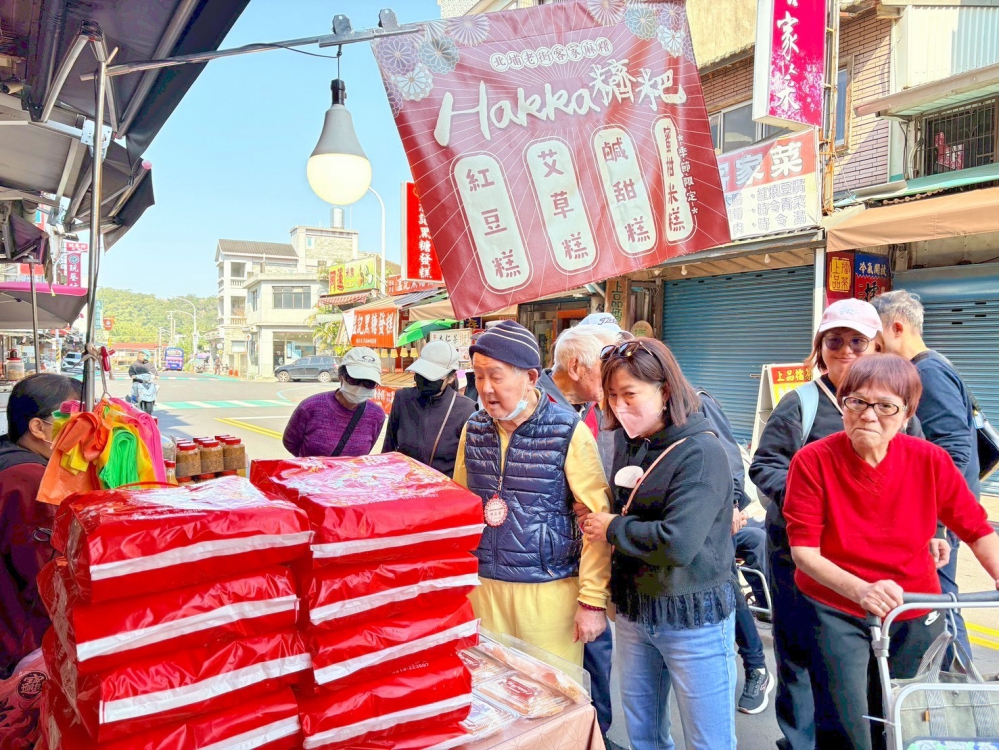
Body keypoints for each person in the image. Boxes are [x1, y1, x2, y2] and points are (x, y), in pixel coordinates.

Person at [784, 354, 999, 750]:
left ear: (906, 415)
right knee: (845, 723)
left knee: (909, 720)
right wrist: (861, 589)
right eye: (857, 402)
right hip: (835, 607)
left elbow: (976, 529)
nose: (868, 415)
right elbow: (804, 552)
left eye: (885, 406)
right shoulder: (812, 461)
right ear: (843, 405)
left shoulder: (930, 460)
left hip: (913, 606)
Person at [749, 298, 924, 750]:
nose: (845, 350)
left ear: (876, 347)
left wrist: (935, 532)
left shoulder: (896, 403)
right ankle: (799, 742)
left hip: (872, 560)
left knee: (866, 662)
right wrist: (815, 503)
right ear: (819, 348)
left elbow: (923, 470)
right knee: (800, 656)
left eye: (856, 342)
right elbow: (765, 466)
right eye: (834, 341)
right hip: (800, 559)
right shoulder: (801, 404)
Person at [581, 338, 738, 750]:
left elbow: (678, 543)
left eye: (629, 394)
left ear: (664, 390)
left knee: (709, 741)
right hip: (636, 612)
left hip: (693, 618)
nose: (619, 406)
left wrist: (613, 528)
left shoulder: (702, 452)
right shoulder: (630, 442)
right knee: (644, 734)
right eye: (611, 395)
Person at [452, 320, 611, 667]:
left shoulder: (568, 431)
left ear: (530, 378)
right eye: (479, 376)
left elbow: (596, 522)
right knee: (489, 690)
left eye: (497, 376)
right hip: (483, 589)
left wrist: (592, 601)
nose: (486, 389)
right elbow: (462, 509)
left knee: (552, 692)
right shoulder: (473, 429)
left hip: (548, 593)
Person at [872, 289, 980, 659]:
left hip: (939, 516)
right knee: (934, 599)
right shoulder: (931, 367)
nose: (873, 348)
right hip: (939, 513)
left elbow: (954, 449)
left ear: (897, 328)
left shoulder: (926, 373)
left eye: (876, 337)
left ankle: (957, 678)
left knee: (939, 601)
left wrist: (935, 520)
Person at [549, 323, 620, 742]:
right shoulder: (541, 406)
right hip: (559, 567)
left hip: (592, 555)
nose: (613, 376)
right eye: (604, 366)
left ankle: (597, 734)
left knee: (594, 658)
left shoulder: (594, 406)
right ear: (576, 366)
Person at [1, 373, 83, 678]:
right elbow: (46, 574)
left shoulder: (9, 452)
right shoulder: (33, 481)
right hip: (17, 637)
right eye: (75, 423)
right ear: (38, 427)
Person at [697, 389, 774, 715]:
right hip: (671, 520)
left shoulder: (695, 400)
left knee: (725, 583)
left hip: (714, 520)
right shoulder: (615, 410)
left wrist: (732, 504)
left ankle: (757, 667)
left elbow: (729, 456)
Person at [382, 341, 476, 478]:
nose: (426, 379)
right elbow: (388, 449)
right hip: (404, 484)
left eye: (434, 376)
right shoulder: (403, 398)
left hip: (444, 488)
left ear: (451, 378)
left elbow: (469, 467)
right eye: (422, 373)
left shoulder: (466, 409)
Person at [282, 347, 386, 458]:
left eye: (369, 383)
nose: (360, 387)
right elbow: (290, 442)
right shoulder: (310, 407)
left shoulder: (376, 415)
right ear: (341, 376)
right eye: (354, 379)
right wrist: (312, 462)